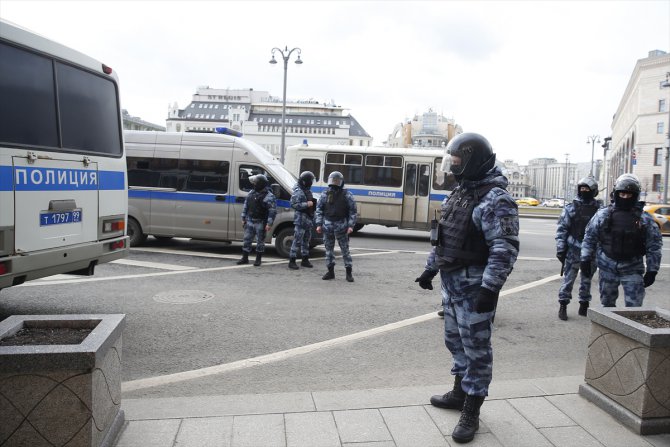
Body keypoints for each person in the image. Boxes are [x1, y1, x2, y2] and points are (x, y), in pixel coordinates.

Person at [415, 132, 519, 444]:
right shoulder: (460, 193)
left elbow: (504, 248)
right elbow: (444, 236)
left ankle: (472, 409)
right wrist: (429, 269)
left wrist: (489, 289)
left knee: (477, 351)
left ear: (473, 162)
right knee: (454, 342)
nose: (454, 168)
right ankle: (459, 392)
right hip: (451, 283)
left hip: (474, 287)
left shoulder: (496, 200)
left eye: (458, 162)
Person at [580, 174, 662, 307]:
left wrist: (653, 270)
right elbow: (589, 238)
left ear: (635, 196)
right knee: (607, 306)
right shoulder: (603, 214)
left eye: (629, 195)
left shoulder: (644, 219)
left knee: (634, 309)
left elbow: (654, 246)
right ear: (616, 194)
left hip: (633, 269)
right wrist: (585, 260)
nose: (625, 197)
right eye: (622, 194)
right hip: (607, 267)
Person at [555, 176, 602, 321]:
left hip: (592, 251)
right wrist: (561, 249)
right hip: (573, 249)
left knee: (587, 279)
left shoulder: (600, 210)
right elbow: (562, 229)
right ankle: (563, 305)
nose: (584, 191)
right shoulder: (572, 208)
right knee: (568, 279)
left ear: (593, 191)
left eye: (587, 189)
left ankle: (584, 304)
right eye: (581, 188)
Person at [315, 171, 358, 282]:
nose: (334, 183)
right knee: (329, 250)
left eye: (336, 181)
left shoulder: (347, 195)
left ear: (341, 182)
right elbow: (319, 209)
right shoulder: (325, 194)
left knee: (345, 250)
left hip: (341, 226)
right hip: (327, 225)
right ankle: (330, 272)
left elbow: (353, 211)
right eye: (333, 180)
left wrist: (350, 226)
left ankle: (348, 273)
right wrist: (319, 224)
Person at [236, 174, 277, 267]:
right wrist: (243, 218)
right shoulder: (251, 192)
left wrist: (269, 224)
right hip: (249, 220)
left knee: (260, 241)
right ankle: (244, 258)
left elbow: (272, 211)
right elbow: (246, 205)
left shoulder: (269, 196)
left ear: (260, 184)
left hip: (261, 221)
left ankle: (258, 259)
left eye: (256, 183)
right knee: (246, 240)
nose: (254, 184)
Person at [288, 171, 316, 269]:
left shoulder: (306, 190)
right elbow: (294, 204)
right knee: (297, 240)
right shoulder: (298, 191)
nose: (312, 182)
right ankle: (292, 260)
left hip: (308, 219)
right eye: (311, 180)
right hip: (301, 220)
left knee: (306, 240)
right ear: (306, 181)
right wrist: (306, 204)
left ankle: (305, 259)